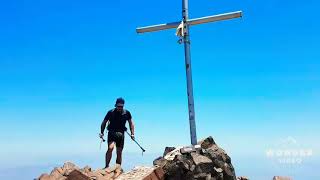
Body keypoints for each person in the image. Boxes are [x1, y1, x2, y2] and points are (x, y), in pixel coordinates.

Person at [99, 97, 135, 170]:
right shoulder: (110, 112)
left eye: (121, 106)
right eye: (118, 106)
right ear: (115, 105)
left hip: (121, 134)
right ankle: (107, 166)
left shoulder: (126, 113)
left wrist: (132, 133)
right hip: (112, 132)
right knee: (110, 148)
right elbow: (104, 122)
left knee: (119, 152)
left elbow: (131, 123)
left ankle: (117, 168)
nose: (120, 108)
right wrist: (102, 133)